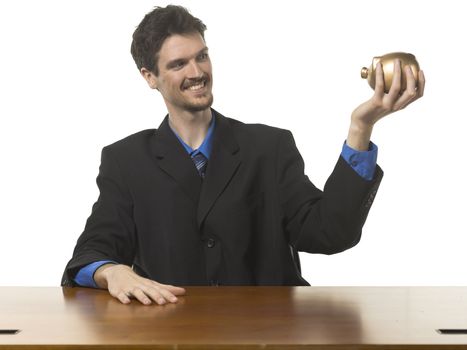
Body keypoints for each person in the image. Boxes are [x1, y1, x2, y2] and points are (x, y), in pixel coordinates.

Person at [61, 5, 425, 305]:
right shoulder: (126, 161)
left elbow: (330, 233)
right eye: (178, 64)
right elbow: (90, 253)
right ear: (149, 76)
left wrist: (360, 128)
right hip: (174, 336)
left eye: (201, 56)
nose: (197, 72)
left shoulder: (269, 147)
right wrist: (113, 271)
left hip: (273, 335)